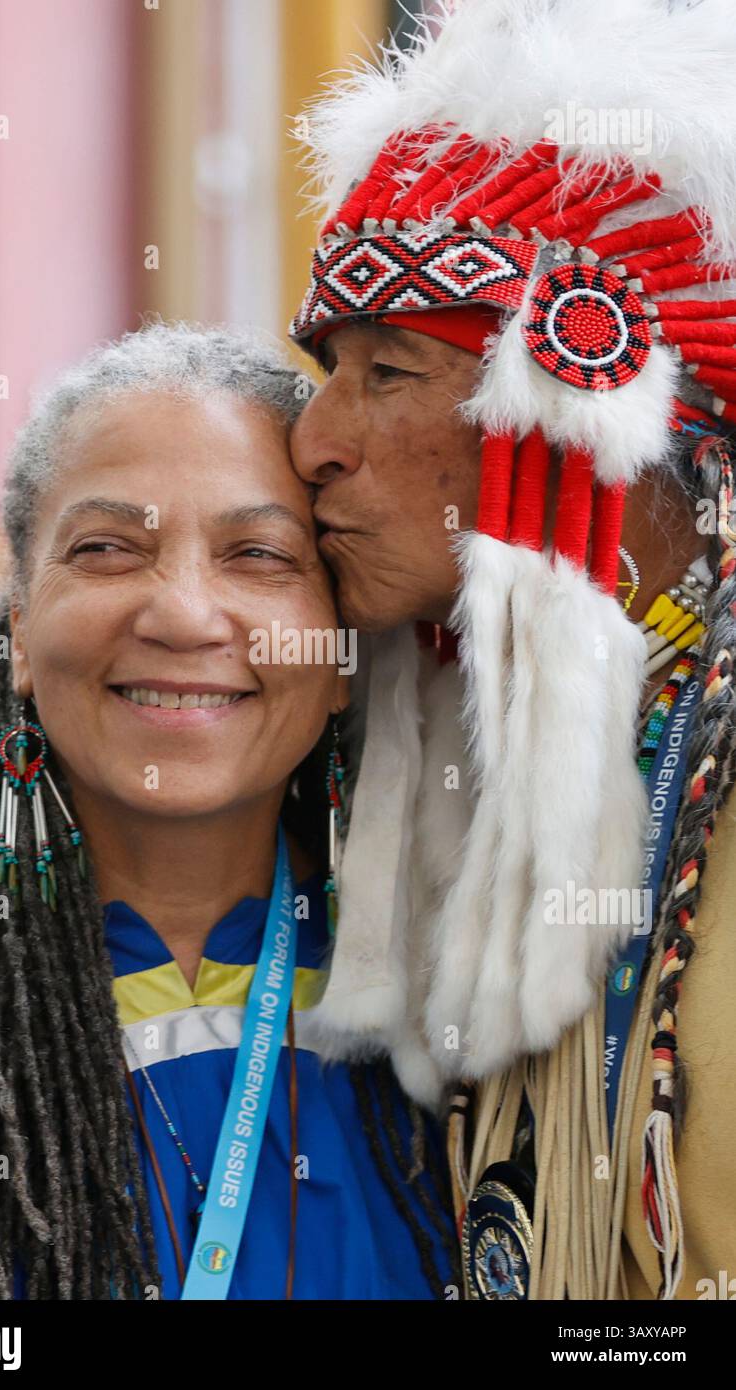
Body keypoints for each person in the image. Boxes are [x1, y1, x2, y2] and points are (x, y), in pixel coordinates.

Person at [286, 0, 736, 1299]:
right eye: (324, 366)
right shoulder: (438, 767)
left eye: (387, 371)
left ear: (577, 394)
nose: (312, 437)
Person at [0, 320, 458, 1300]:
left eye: (259, 554)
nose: (184, 614)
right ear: (18, 627)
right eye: (106, 548)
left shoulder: (454, 1011)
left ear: (340, 654)